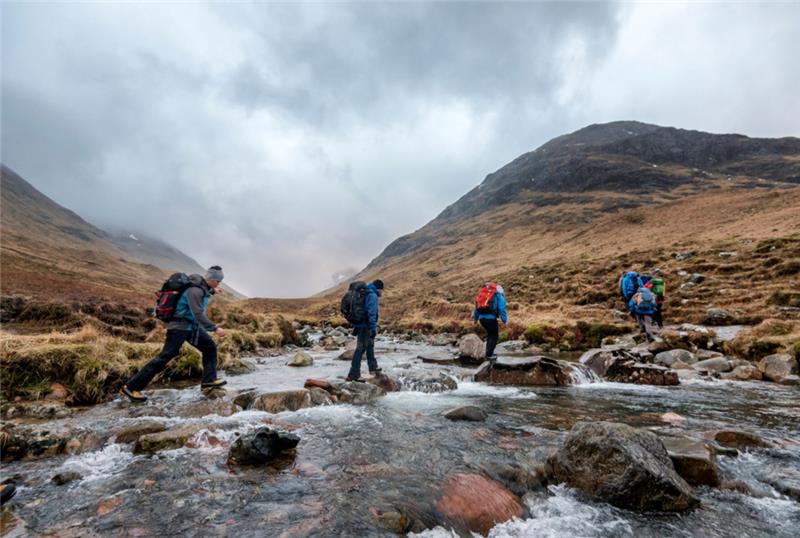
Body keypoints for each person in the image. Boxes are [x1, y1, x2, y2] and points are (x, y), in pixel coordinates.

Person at [121, 266, 227, 402]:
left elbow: (203, 291)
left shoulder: (200, 286)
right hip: (179, 327)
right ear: (211, 279)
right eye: (218, 281)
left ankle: (208, 381)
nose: (219, 284)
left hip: (190, 327)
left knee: (209, 347)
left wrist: (213, 291)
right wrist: (215, 328)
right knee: (165, 356)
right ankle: (131, 387)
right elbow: (198, 313)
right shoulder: (195, 290)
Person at [346, 279, 384, 382]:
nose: (382, 292)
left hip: (361, 324)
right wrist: (373, 328)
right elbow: (372, 313)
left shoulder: (367, 293)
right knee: (360, 349)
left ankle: (373, 368)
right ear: (379, 289)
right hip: (365, 325)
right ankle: (353, 374)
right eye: (382, 290)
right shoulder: (372, 295)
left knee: (370, 345)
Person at [472, 282, 508, 361]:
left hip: (482, 319)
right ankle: (489, 355)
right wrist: (504, 321)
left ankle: (489, 352)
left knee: (490, 335)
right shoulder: (498, 295)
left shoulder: (483, 295)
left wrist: (475, 319)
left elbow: (476, 308)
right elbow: (502, 309)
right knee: (494, 336)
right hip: (491, 319)